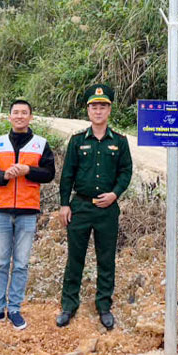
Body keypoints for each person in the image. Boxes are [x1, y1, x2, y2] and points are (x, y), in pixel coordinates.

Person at [57, 84, 133, 330]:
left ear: (109, 109)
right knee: (75, 258)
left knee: (106, 258)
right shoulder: (78, 140)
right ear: (88, 110)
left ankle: (104, 306)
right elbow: (67, 174)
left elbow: (126, 171)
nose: (98, 110)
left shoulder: (119, 142)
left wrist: (115, 194)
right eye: (94, 106)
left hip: (107, 210)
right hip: (80, 207)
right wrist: (64, 205)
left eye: (103, 106)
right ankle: (69, 305)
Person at [0, 98, 56, 332]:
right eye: (16, 112)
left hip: (27, 212)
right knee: (1, 262)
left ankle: (14, 309)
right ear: (9, 116)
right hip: (1, 210)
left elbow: (49, 174)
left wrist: (27, 170)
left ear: (30, 117)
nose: (20, 116)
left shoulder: (40, 144)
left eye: (24, 113)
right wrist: (5, 176)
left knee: (21, 263)